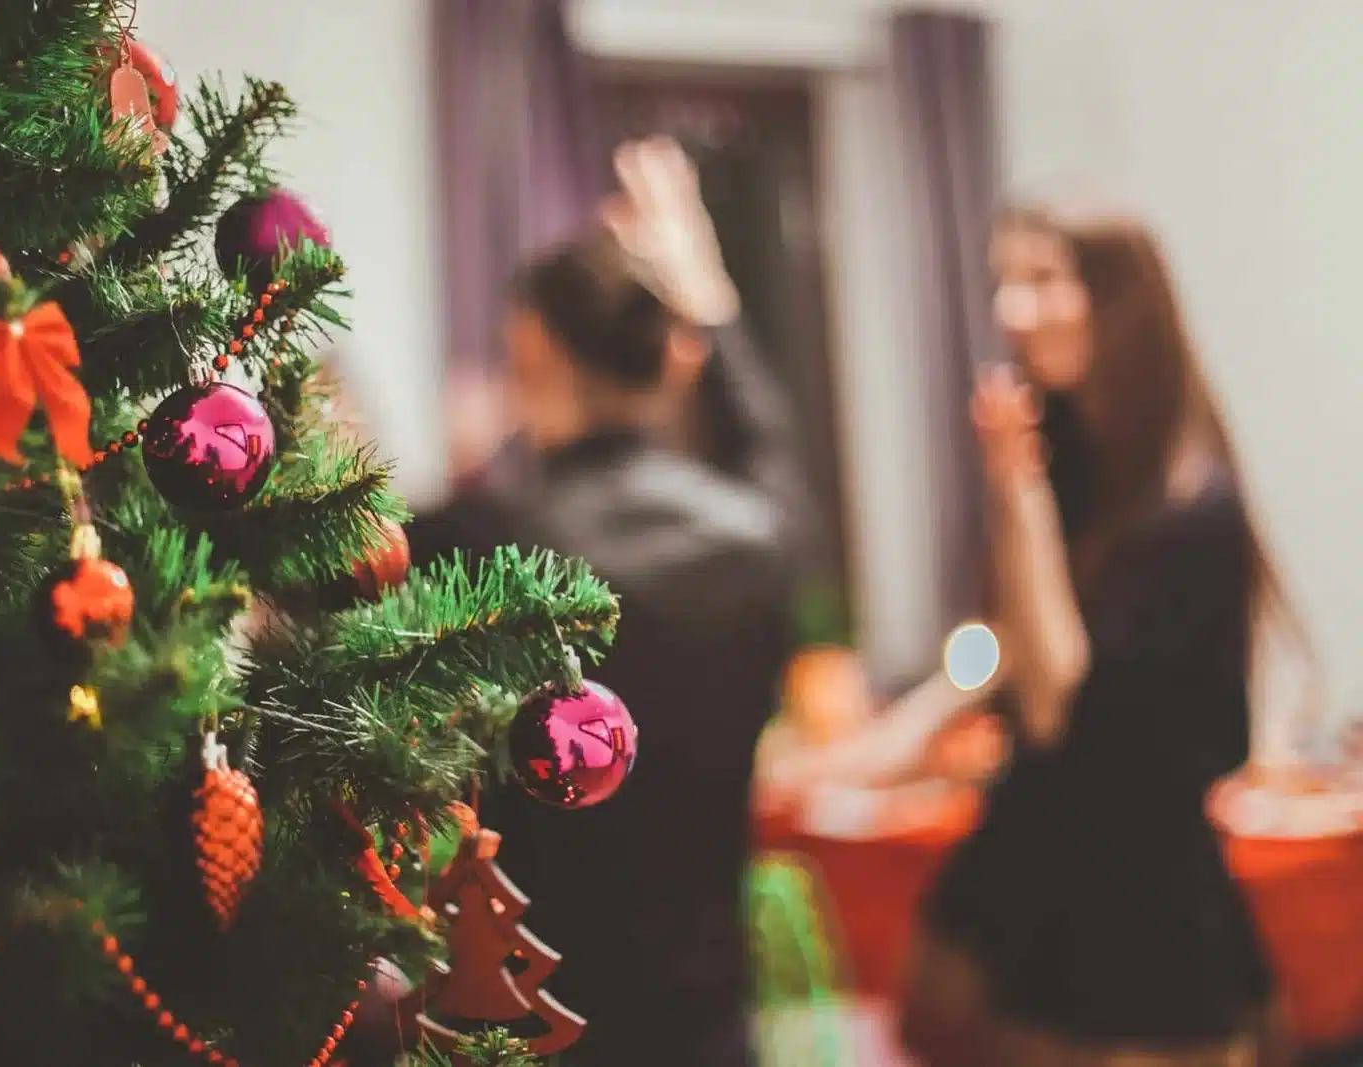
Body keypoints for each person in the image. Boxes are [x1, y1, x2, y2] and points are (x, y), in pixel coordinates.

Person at [409, 137, 813, 1067]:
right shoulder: (760, 533)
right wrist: (712, 300)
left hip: (531, 1020)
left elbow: (319, 582)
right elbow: (769, 443)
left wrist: (463, 470)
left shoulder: (477, 541)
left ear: (532, 350)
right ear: (675, 358)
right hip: (709, 1027)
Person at [898, 206, 1309, 1067]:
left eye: (1045, 279)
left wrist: (1018, 487)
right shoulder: (1080, 471)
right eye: (1005, 282)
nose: (1013, 309)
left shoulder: (1191, 507)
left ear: (1119, 301)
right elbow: (1009, 647)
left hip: (1145, 937)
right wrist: (888, 737)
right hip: (1049, 904)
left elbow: (1057, 704)